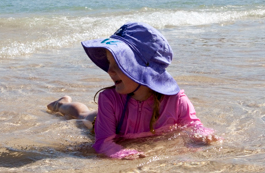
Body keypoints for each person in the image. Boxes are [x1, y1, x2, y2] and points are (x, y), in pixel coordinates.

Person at [46, 22, 220, 159]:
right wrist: (116, 151)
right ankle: (62, 104)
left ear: (141, 68)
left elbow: (193, 124)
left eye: (118, 65)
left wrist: (204, 135)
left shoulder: (176, 100)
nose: (109, 71)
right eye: (109, 64)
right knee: (82, 114)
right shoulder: (109, 99)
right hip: (98, 124)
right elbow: (103, 142)